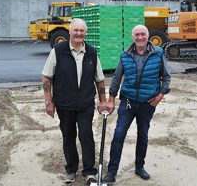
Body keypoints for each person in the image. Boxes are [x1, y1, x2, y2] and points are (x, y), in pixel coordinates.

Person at [103, 25, 171, 183]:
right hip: (128, 102)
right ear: (133, 37)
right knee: (119, 135)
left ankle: (139, 167)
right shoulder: (125, 55)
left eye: (143, 34)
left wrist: (160, 96)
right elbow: (116, 78)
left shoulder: (158, 53)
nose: (140, 37)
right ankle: (111, 172)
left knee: (143, 135)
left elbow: (166, 77)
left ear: (148, 36)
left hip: (147, 104)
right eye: (137, 35)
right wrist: (111, 99)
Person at [41, 18, 107, 184]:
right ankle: (71, 170)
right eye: (76, 30)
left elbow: (99, 79)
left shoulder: (91, 52)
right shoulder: (58, 50)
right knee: (68, 136)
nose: (79, 33)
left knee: (86, 136)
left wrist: (103, 101)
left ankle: (89, 171)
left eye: (82, 31)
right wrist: (49, 102)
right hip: (64, 104)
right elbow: (47, 77)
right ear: (69, 31)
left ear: (85, 33)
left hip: (85, 104)